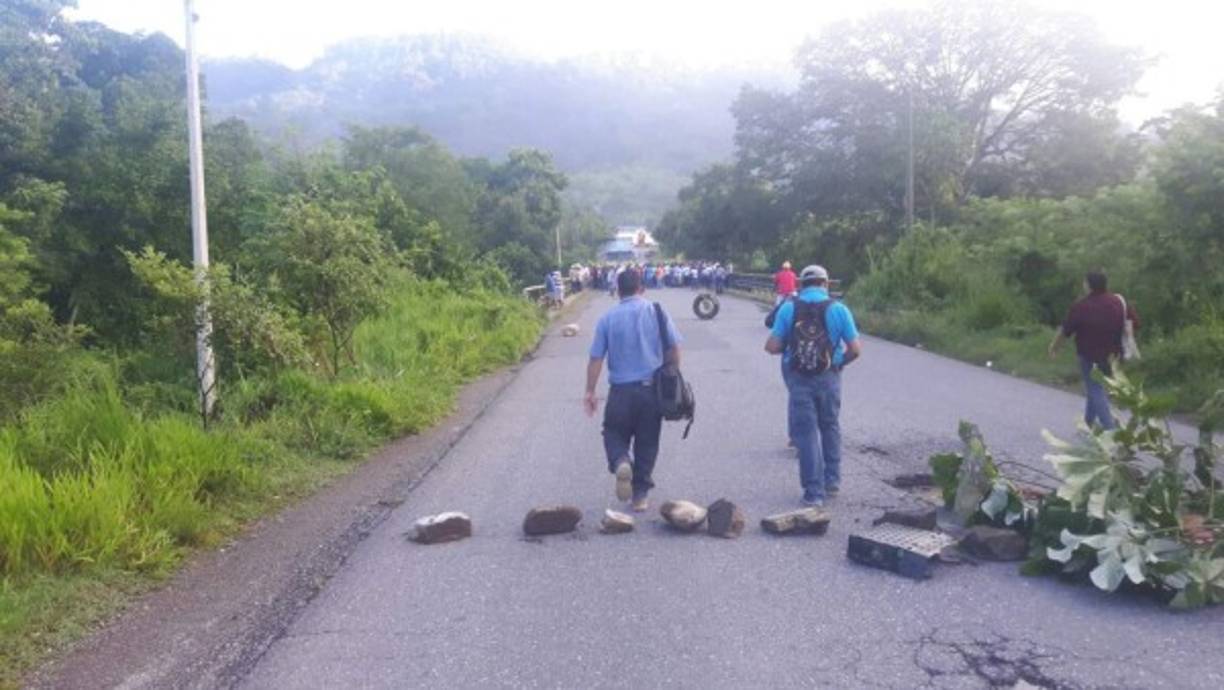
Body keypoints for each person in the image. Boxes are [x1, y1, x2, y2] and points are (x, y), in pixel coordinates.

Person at [585, 268, 683, 512]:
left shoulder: (607, 318)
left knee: (613, 431)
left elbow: (596, 358)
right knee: (647, 441)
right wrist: (672, 376)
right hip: (651, 390)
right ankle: (640, 496)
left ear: (618, 290)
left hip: (620, 391)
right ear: (642, 287)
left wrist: (590, 391)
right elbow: (674, 348)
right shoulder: (657, 312)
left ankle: (620, 460)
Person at [765, 265, 862, 507]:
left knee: (806, 433)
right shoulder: (839, 309)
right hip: (829, 376)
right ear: (826, 284)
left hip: (799, 379)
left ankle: (813, 493)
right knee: (829, 425)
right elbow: (856, 349)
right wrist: (837, 363)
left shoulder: (788, 308)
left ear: (800, 284)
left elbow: (772, 347)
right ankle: (832, 480)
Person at [1048, 271, 1139, 430]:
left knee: (1096, 389)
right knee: (1095, 387)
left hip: (1089, 355)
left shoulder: (1081, 306)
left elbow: (1066, 330)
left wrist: (1054, 347)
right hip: (1114, 356)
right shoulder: (1118, 302)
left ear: (1088, 285)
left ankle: (1111, 431)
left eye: (1084, 282)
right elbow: (1134, 322)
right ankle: (1088, 424)